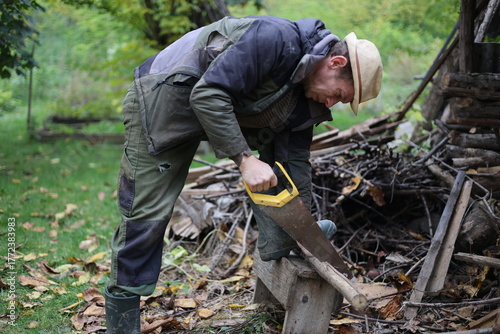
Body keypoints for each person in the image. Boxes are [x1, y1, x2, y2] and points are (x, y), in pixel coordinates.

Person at [104, 15, 382, 333]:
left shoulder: (307, 89)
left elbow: (293, 161)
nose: (332, 103)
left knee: (281, 170)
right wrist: (245, 160)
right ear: (335, 62)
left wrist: (302, 227)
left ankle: (280, 239)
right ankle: (122, 318)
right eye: (339, 94)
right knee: (148, 212)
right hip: (163, 98)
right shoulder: (274, 39)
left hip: (219, 104)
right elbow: (208, 94)